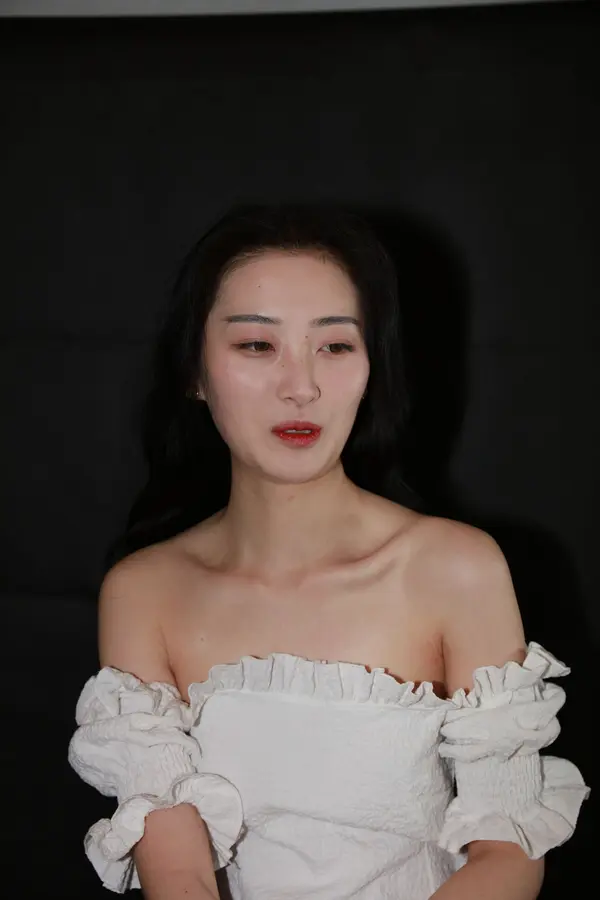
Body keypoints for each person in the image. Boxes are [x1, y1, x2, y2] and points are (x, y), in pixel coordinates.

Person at [68, 204, 589, 900]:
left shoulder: (456, 569)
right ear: (194, 370)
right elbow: (176, 867)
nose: (302, 386)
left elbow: (509, 852)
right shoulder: (143, 591)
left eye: (335, 346)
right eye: (258, 345)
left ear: (371, 365)